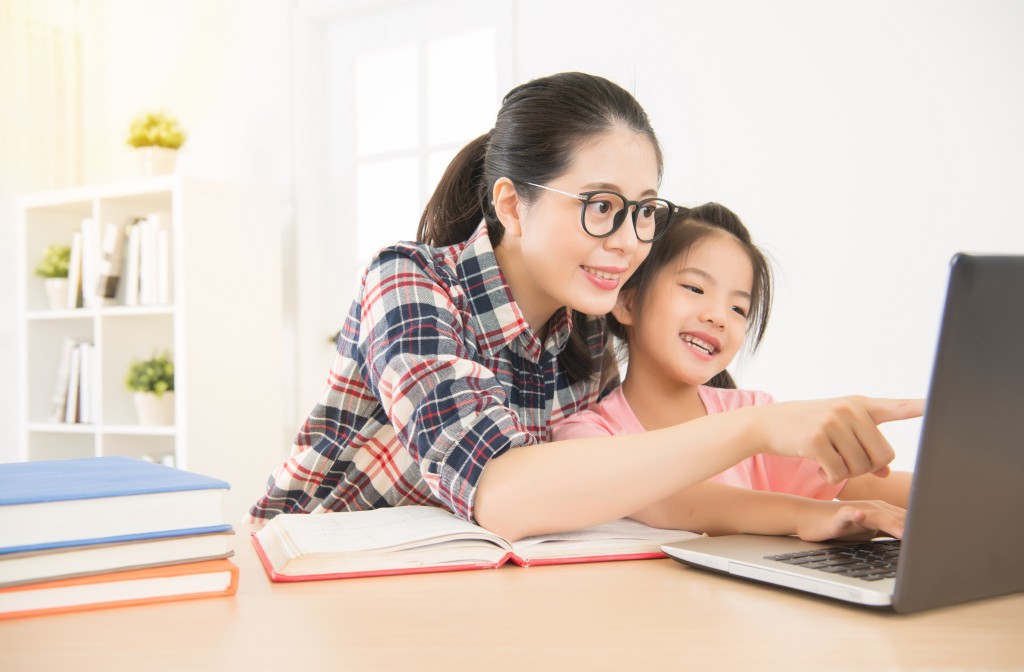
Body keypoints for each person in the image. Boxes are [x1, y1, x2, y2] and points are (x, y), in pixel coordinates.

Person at [249, 72, 922, 541]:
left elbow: (633, 482)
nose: (629, 242)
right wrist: (755, 430)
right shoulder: (411, 281)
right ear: (513, 205)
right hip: (311, 565)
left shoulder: (587, 332)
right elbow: (503, 493)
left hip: (453, 584)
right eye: (601, 207)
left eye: (644, 211)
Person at [552, 203, 912, 541]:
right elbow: (666, 499)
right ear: (627, 301)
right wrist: (808, 515)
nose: (719, 317)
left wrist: (946, 491)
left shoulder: (756, 414)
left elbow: (863, 486)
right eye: (695, 288)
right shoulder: (587, 434)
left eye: (739, 308)